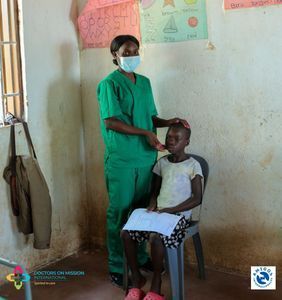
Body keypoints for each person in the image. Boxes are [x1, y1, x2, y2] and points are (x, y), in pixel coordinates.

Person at [96, 35, 189, 288]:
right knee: (120, 212)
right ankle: (118, 265)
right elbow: (111, 121)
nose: (132, 56)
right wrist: (146, 134)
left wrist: (168, 122)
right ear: (115, 55)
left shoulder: (145, 83)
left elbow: (150, 117)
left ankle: (140, 256)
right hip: (122, 160)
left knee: (140, 211)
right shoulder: (109, 85)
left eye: (135, 51)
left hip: (145, 158)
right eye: (126, 52)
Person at [121, 123, 203, 300]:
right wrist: (152, 204)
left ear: (187, 142)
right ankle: (137, 279)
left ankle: (156, 286)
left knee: (156, 238)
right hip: (159, 213)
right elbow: (154, 191)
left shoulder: (193, 165)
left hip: (179, 216)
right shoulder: (162, 163)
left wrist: (172, 210)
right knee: (126, 233)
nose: (171, 141)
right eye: (168, 138)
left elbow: (197, 198)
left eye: (176, 139)